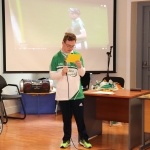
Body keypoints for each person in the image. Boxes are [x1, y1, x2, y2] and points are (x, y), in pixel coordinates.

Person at [49, 32, 92, 149]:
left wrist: (79, 66)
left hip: (77, 94)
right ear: (63, 43)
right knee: (66, 119)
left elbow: (82, 74)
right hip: (63, 94)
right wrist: (61, 73)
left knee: (80, 118)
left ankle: (84, 139)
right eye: (68, 45)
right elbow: (52, 76)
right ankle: (66, 139)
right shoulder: (56, 57)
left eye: (72, 46)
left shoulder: (77, 56)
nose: (70, 48)